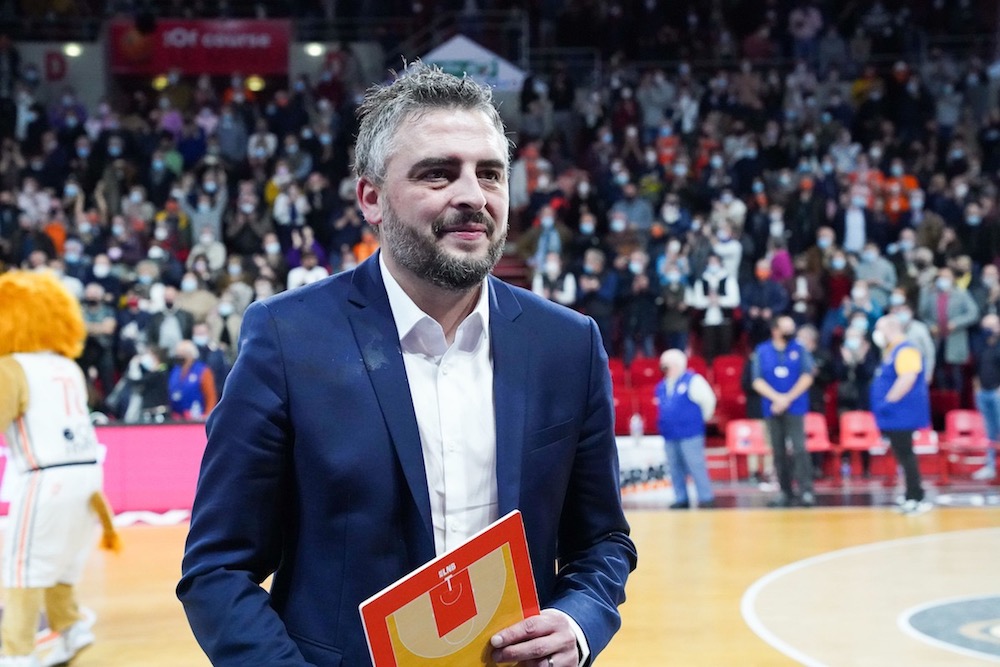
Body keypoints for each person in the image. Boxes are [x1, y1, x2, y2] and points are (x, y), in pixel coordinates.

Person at [177, 63, 636, 667]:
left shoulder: (568, 344)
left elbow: (601, 540)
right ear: (371, 197)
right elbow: (217, 568)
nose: (472, 196)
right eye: (439, 174)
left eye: (490, 174)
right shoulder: (288, 338)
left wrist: (577, 625)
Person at [870, 315, 933, 514]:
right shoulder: (891, 350)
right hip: (894, 415)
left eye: (879, 329)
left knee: (906, 455)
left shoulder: (906, 350)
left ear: (890, 328)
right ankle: (910, 494)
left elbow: (908, 378)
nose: (877, 334)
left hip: (902, 413)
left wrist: (889, 401)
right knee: (902, 454)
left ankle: (917, 497)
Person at [751, 316, 816, 507]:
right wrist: (777, 398)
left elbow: (807, 376)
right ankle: (784, 491)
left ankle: (806, 491)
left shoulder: (800, 348)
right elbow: (757, 380)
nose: (791, 332)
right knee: (778, 452)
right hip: (772, 408)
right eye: (786, 328)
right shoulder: (762, 350)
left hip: (795, 407)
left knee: (800, 449)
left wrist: (787, 398)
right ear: (775, 330)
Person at [655, 349, 717, 509]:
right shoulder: (662, 385)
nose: (663, 368)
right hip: (669, 433)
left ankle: (706, 497)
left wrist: (699, 419)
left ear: (676, 364)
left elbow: (709, 401)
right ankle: (681, 497)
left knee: (695, 465)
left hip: (690, 432)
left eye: (666, 365)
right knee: (675, 467)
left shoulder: (693, 380)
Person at [971, 313, 1000, 480]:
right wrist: (977, 386)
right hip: (983, 392)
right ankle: (990, 466)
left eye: (993, 324)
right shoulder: (981, 344)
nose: (990, 329)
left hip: (998, 393)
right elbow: (977, 367)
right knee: (990, 432)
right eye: (987, 325)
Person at [167, 340, 217, 421]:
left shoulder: (203, 371)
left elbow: (211, 396)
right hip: (177, 418)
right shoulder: (175, 371)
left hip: (197, 417)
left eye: (181, 353)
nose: (178, 356)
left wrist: (208, 416)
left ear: (190, 355)